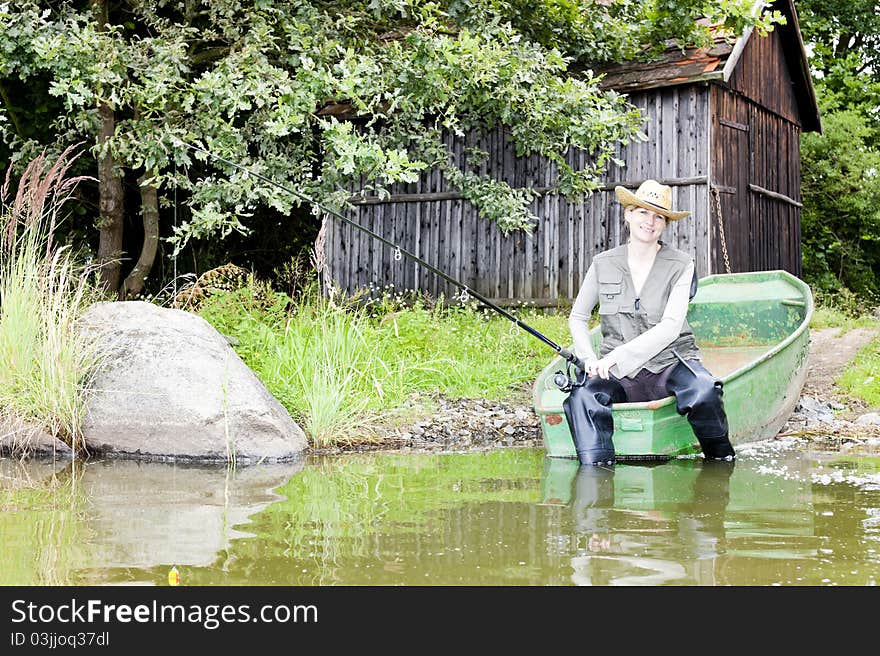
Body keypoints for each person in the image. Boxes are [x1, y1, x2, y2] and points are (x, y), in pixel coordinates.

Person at [566, 179, 735, 466]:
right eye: (643, 212)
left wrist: (616, 357)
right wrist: (589, 358)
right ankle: (596, 481)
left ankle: (721, 463)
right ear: (628, 214)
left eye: (659, 216)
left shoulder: (682, 264)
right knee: (582, 397)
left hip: (669, 364)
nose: (650, 221)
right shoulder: (602, 263)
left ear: (665, 224)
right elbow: (578, 318)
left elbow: (670, 327)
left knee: (704, 390)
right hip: (617, 372)